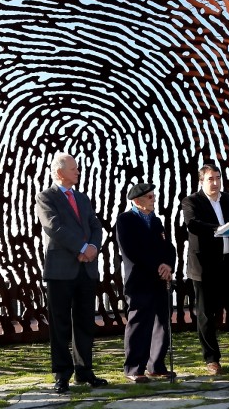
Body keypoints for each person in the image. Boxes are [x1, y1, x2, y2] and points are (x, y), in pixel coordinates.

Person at [35, 152, 108, 394]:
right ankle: (62, 374)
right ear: (59, 172)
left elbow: (95, 225)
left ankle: (84, 371)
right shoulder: (46, 197)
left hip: (86, 270)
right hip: (60, 271)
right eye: (74, 168)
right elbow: (53, 226)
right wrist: (82, 248)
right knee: (60, 325)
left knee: (85, 323)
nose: (78, 171)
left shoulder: (82, 198)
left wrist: (93, 247)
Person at [181, 164, 229, 374]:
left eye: (217, 178)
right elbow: (192, 224)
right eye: (210, 179)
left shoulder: (228, 198)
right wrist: (219, 229)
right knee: (206, 315)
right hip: (204, 266)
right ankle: (212, 359)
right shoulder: (191, 201)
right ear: (201, 181)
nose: (215, 183)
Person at [116, 183, 176, 383]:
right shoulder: (125, 220)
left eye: (153, 196)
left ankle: (156, 365)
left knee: (162, 324)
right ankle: (134, 368)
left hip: (160, 280)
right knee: (139, 324)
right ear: (137, 201)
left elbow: (168, 247)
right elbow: (132, 251)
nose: (154, 199)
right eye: (150, 197)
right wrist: (157, 266)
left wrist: (168, 265)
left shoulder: (156, 221)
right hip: (139, 281)